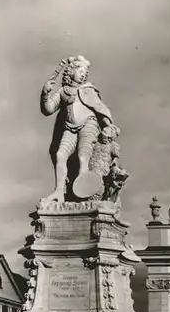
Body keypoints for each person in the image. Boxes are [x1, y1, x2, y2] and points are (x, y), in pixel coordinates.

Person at [40, 56, 115, 202]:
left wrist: (108, 125)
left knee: (83, 157)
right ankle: (59, 192)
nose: (83, 74)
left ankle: (83, 195)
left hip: (89, 125)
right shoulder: (63, 91)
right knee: (60, 155)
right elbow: (48, 109)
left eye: (85, 73)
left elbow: (99, 107)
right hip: (69, 128)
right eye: (80, 71)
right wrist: (45, 93)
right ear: (70, 71)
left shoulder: (88, 90)